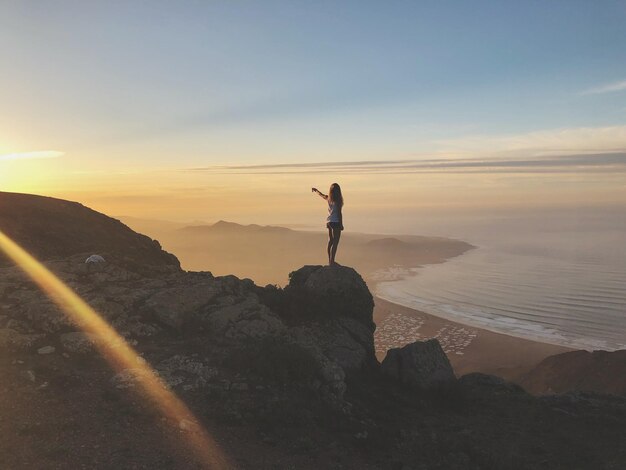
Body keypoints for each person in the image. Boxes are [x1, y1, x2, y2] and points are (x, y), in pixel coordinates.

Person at [311, 183, 344, 266]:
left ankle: (330, 260)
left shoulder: (329, 198)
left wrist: (316, 190)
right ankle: (332, 261)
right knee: (335, 242)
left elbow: (321, 195)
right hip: (335, 222)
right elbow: (339, 213)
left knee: (330, 241)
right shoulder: (338, 201)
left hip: (329, 222)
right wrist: (341, 224)